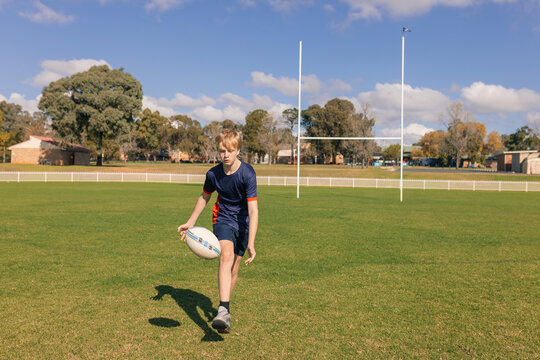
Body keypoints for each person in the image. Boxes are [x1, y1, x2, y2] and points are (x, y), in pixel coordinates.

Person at [178, 129, 258, 334]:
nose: (226, 155)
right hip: (222, 219)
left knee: (234, 267)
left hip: (244, 224)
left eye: (230, 150)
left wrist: (251, 242)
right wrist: (191, 222)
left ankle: (225, 312)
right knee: (226, 255)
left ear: (238, 150)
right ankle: (223, 310)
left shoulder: (247, 173)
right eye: (222, 150)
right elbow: (204, 197)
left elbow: (253, 209)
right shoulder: (213, 174)